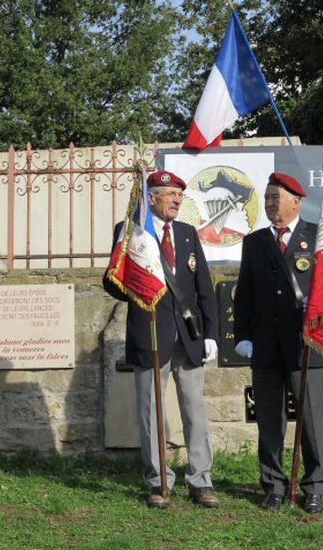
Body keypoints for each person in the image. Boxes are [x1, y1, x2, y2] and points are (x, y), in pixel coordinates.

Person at [103, 169, 220, 510]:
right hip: (150, 332)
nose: (176, 201)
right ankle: (158, 480)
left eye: (179, 196)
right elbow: (113, 283)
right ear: (150, 197)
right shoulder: (131, 231)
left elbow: (204, 288)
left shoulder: (186, 233)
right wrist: (133, 271)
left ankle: (201, 480)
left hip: (189, 335)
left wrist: (211, 334)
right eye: (170, 195)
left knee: (195, 410)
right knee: (151, 411)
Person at [232, 172, 323, 514]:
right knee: (269, 421)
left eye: (278, 197)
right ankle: (273, 485)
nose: (272, 204)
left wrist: (318, 314)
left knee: (312, 421)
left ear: (296, 201)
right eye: (268, 197)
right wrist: (243, 335)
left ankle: (314, 487)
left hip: (305, 345)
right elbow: (243, 295)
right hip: (265, 345)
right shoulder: (255, 242)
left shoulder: (318, 237)